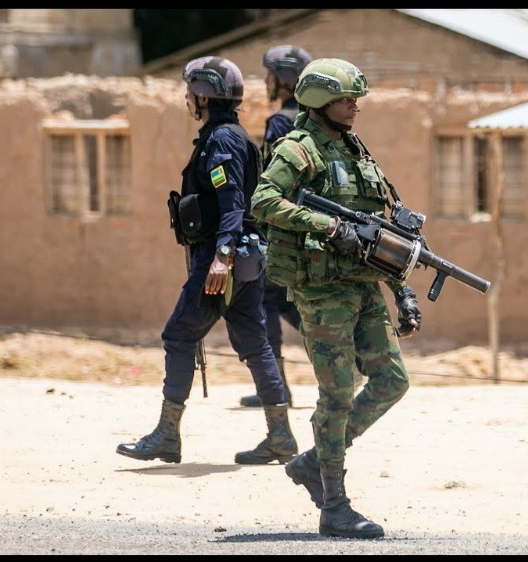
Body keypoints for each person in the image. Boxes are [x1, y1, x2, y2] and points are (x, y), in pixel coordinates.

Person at [250, 58, 422, 539]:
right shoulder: (298, 149)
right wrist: (326, 225)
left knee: (392, 381)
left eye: (355, 99)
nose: (354, 107)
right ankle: (334, 504)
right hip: (322, 289)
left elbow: (379, 231)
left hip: (363, 285)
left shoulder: (356, 151)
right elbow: (263, 200)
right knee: (338, 393)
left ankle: (314, 461)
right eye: (346, 99)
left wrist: (403, 290)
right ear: (320, 100)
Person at [116, 56, 298, 466]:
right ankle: (281, 436)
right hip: (244, 256)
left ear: (203, 95)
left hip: (222, 258)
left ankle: (166, 436)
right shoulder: (231, 136)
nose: (186, 98)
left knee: (179, 335)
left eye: (189, 92)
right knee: (255, 343)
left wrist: (221, 257)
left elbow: (232, 203)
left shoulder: (222, 141)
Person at [238, 45, 313, 409]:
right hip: (310, 228)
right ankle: (353, 359)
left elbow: (273, 181)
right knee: (287, 301)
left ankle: (275, 386)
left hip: (281, 227)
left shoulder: (282, 122)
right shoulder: (315, 121)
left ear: (285, 79)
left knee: (264, 299)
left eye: (270, 76)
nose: (266, 82)